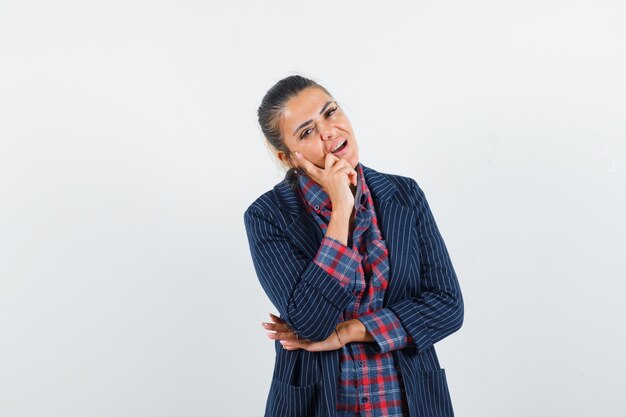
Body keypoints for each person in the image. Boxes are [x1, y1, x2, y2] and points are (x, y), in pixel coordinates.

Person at [244, 75, 464, 417]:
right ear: (288, 157)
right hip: (320, 405)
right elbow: (310, 323)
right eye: (306, 132)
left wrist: (349, 331)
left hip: (409, 402)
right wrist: (342, 209)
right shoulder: (267, 216)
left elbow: (447, 306)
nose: (328, 131)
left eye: (330, 113)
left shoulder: (404, 195)